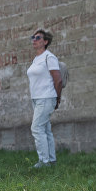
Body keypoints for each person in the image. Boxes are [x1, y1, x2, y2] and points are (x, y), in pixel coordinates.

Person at [27, 30, 62, 168]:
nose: (34, 40)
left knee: (36, 128)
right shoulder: (36, 59)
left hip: (46, 97)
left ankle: (44, 162)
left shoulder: (49, 57)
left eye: (38, 38)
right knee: (45, 130)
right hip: (36, 99)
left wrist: (57, 98)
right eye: (33, 37)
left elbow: (58, 80)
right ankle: (51, 160)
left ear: (45, 41)